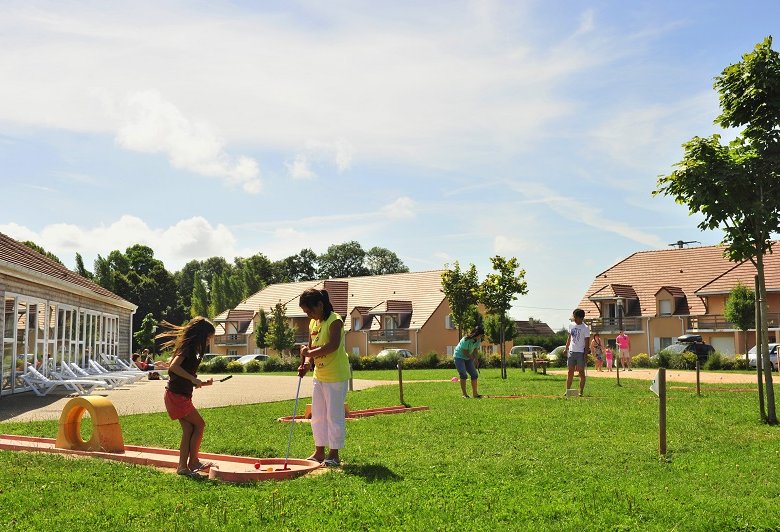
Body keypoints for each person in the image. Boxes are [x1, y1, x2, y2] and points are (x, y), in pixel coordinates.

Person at [297, 288, 351, 467]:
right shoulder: (314, 323)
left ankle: (334, 454)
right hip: (319, 375)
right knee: (318, 415)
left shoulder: (335, 320)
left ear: (320, 305)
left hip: (336, 375)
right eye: (306, 312)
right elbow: (309, 347)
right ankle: (319, 452)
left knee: (333, 415)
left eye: (310, 311)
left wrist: (309, 352)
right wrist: (305, 362)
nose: (309, 315)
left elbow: (333, 345)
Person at [156, 316, 215, 478]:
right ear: (202, 335)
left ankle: (183, 466)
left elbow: (187, 374)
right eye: (209, 337)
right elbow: (174, 366)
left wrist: (201, 382)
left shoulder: (194, 350)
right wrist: (192, 379)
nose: (209, 341)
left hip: (178, 394)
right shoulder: (188, 348)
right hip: (176, 396)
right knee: (200, 424)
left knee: (189, 428)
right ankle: (193, 461)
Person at [453, 325, 484, 398]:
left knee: (474, 375)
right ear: (476, 334)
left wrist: (476, 359)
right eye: (480, 335)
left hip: (468, 357)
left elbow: (475, 349)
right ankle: (464, 394)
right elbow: (464, 351)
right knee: (463, 374)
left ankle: (475, 394)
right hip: (459, 357)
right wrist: (472, 358)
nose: (481, 337)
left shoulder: (478, 340)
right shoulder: (466, 339)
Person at [564, 308, 590, 397]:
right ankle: (567, 391)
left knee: (581, 372)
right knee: (570, 372)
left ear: (581, 318)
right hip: (571, 351)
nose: (574, 319)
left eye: (575, 317)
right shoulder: (571, 325)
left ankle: (581, 391)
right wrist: (566, 348)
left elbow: (587, 343)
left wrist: (586, 355)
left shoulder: (585, 328)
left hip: (580, 353)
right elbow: (569, 338)